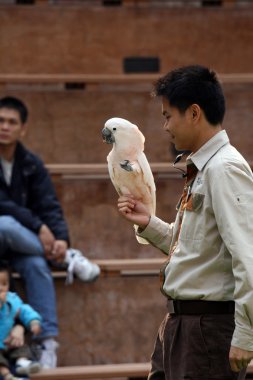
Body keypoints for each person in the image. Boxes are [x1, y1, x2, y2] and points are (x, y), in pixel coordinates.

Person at [117, 65, 253, 380]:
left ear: (193, 113)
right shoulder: (204, 168)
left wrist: (246, 334)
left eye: (167, 116)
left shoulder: (224, 169)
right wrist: (149, 223)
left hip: (207, 330)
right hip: (182, 325)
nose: (165, 126)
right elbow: (199, 250)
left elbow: (247, 253)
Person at [0, 96, 100, 369]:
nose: (4, 127)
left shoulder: (31, 163)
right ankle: (67, 258)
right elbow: (3, 204)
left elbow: (50, 206)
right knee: (5, 223)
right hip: (5, 235)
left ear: (23, 129)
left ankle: (47, 343)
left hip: (22, 248)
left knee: (36, 265)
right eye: (0, 121)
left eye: (11, 122)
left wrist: (60, 237)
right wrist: (39, 227)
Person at [0, 261, 41, 380]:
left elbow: (24, 310)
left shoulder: (11, 300)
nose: (0, 288)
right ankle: (7, 375)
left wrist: (33, 321)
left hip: (9, 342)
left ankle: (22, 363)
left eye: (4, 284)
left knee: (21, 348)